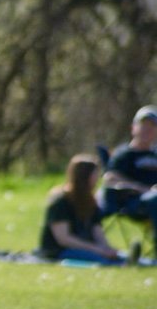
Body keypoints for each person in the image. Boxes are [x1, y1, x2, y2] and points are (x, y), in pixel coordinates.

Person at [37, 154, 124, 265]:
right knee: (104, 262)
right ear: (84, 176)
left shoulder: (91, 202)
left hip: (89, 248)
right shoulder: (60, 201)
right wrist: (97, 250)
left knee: (121, 258)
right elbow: (63, 238)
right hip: (60, 251)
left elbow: (97, 231)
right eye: (95, 175)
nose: (98, 179)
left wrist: (106, 248)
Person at [100, 105, 157, 256]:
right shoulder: (123, 154)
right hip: (133, 202)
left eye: (151, 127)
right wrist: (141, 188)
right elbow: (109, 178)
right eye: (143, 126)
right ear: (133, 128)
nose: (147, 131)